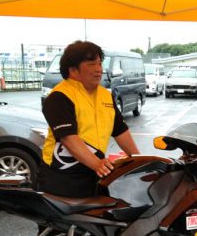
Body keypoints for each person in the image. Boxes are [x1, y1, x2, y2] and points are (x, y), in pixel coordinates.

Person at [38, 40, 140, 198]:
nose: (99, 69)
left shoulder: (105, 96)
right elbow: (69, 138)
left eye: (100, 63)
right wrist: (97, 164)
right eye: (92, 64)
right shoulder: (59, 96)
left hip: (93, 175)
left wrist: (140, 160)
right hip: (62, 178)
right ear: (73, 70)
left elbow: (121, 131)